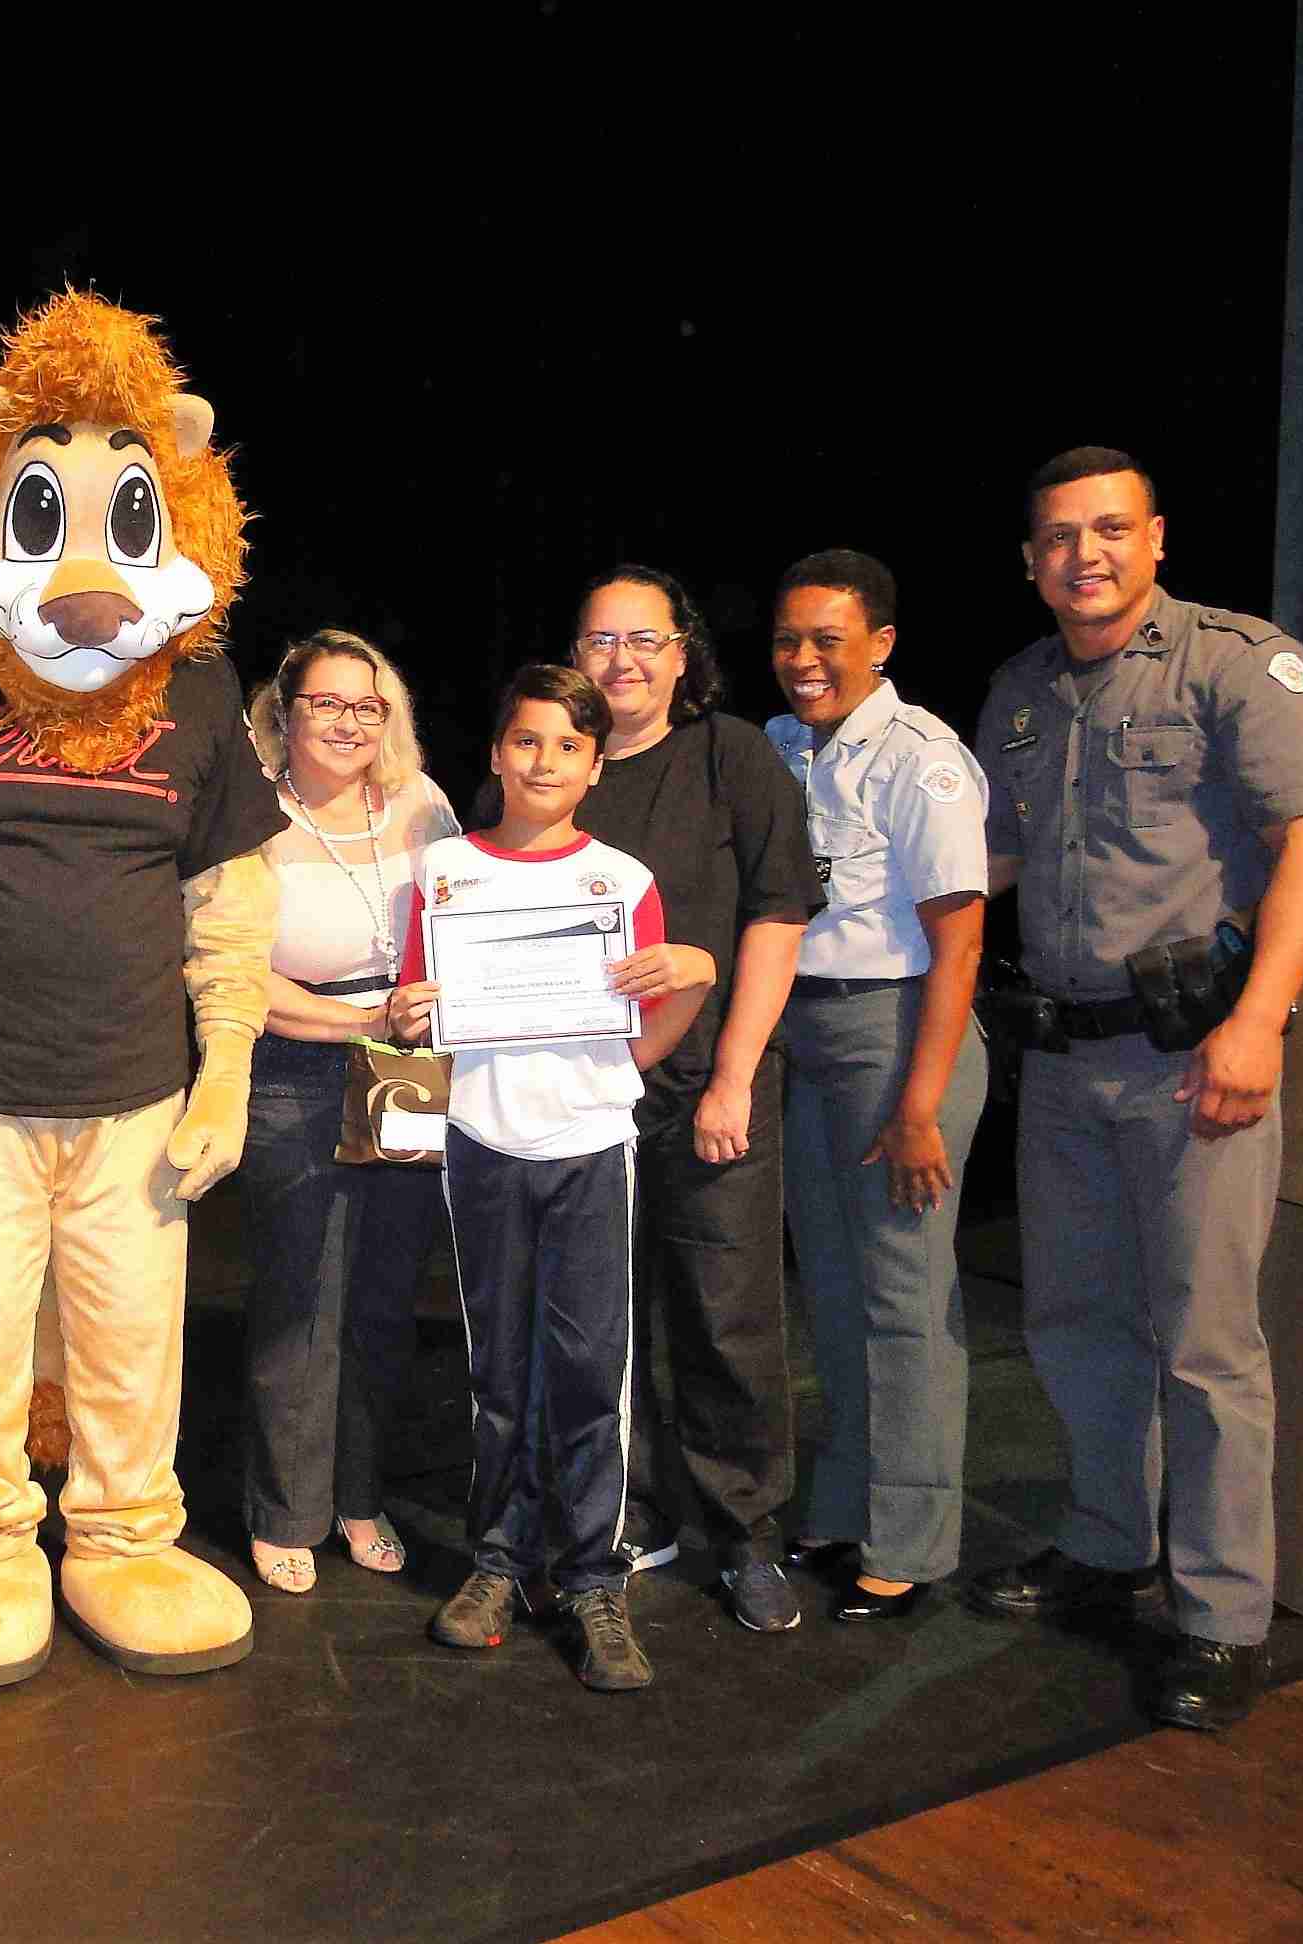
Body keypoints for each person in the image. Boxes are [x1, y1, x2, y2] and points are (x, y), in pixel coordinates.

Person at [967, 447, 1303, 1732]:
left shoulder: (1240, 663)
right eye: (1062, 537)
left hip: (1196, 1058)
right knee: (1076, 1323)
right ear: (1030, 562)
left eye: (1112, 530)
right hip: (1067, 1063)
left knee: (1204, 1345)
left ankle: (1224, 1616)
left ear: (1158, 539)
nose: (1088, 555)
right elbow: (992, 855)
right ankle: (1106, 1542)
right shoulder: (1021, 691)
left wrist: (1261, 1022)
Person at [404, 664, 711, 1692]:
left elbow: (657, 1013)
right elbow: (417, 1013)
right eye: (525, 741)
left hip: (587, 1146)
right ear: (495, 753)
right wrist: (409, 1018)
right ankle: (497, 1562)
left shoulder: (620, 883)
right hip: (483, 1142)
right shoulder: (442, 872)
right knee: (498, 1370)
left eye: (567, 746)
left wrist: (686, 987)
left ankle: (592, 1577)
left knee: (590, 1374)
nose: (544, 762)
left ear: (594, 765)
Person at [568, 566, 822, 1633]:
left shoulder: (732, 756)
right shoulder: (557, 768)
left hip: (708, 1092)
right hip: (574, 1101)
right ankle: (626, 1516)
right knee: (600, 1325)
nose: (620, 660)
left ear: (682, 653)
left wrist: (732, 1078)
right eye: (598, 641)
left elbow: (777, 914)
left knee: (726, 1322)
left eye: (644, 640)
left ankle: (745, 1536)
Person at [763, 550, 989, 1623]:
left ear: (882, 646)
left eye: (829, 641)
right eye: (789, 640)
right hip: (802, 1033)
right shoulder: (779, 749)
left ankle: (911, 1543)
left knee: (905, 1298)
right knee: (840, 1294)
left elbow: (959, 942)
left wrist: (917, 1105)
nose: (804, 661)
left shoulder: (921, 758)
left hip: (897, 1034)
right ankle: (848, 1507)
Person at [239, 631, 460, 1595]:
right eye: (326, 703)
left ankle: (361, 1498)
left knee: (381, 1298)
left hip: (406, 1063)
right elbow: (226, 971)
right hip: (288, 1063)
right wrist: (357, 1015)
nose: (347, 722)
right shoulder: (248, 815)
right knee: (301, 1300)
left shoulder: (423, 806)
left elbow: (465, 921)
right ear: (282, 714)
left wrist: (411, 1012)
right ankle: (285, 1510)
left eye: (366, 706)